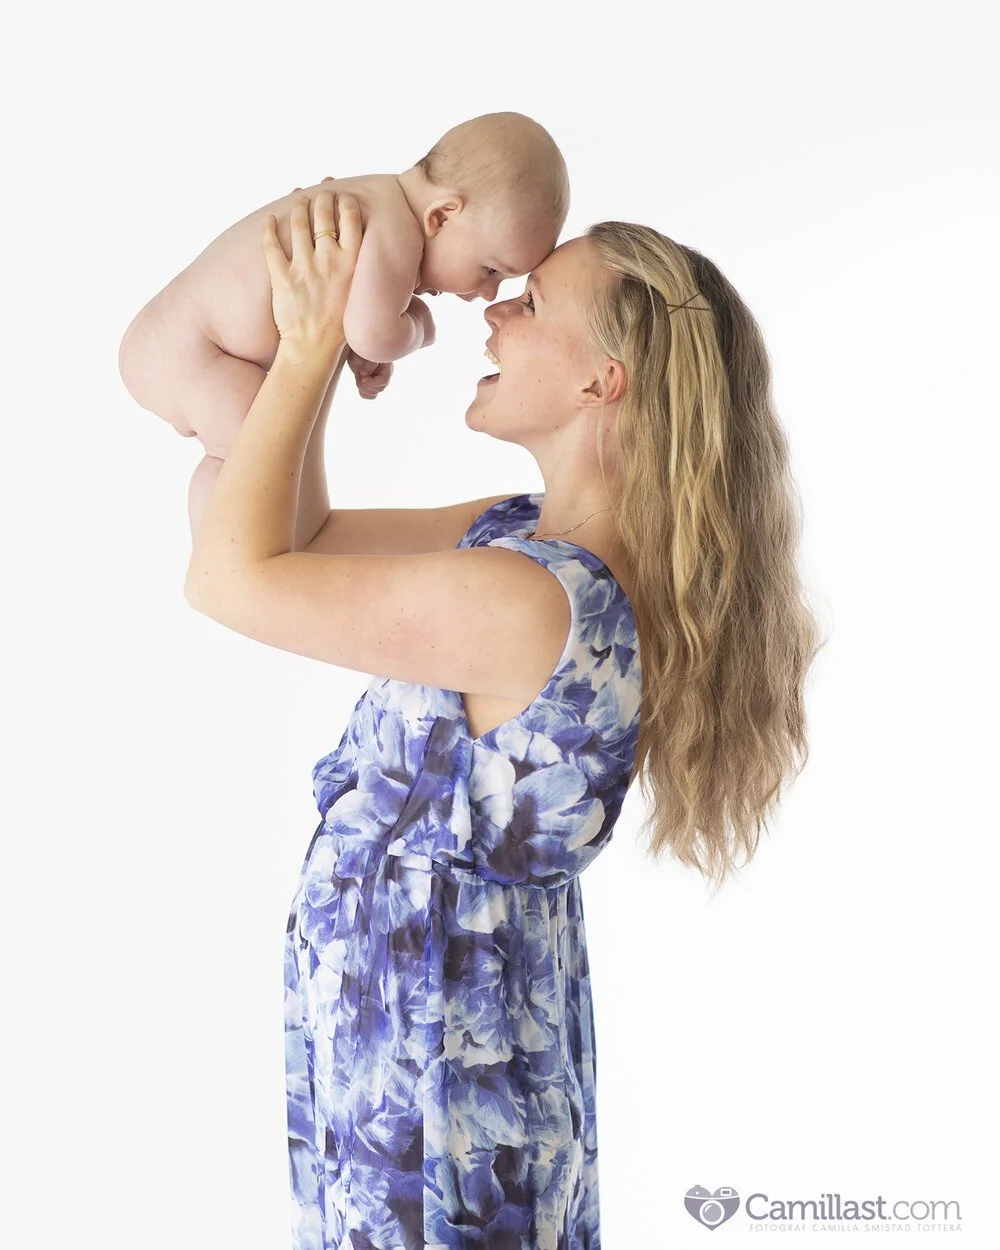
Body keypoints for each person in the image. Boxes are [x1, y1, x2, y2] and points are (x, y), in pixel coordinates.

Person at [183, 190, 822, 1249]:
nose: (491, 314)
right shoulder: (518, 543)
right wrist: (325, 351)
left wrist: (305, 350)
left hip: (437, 1097)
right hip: (416, 1063)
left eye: (528, 305)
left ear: (598, 380)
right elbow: (302, 533)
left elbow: (228, 579)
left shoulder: (533, 601)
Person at [117, 112, 568, 542]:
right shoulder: (397, 227)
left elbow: (354, 324)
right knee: (254, 469)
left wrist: (369, 339)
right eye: (491, 270)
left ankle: (225, 559)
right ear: (442, 216)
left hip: (183, 345)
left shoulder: (378, 198)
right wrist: (418, 327)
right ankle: (225, 562)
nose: (489, 294)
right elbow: (371, 332)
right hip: (194, 351)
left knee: (253, 470)